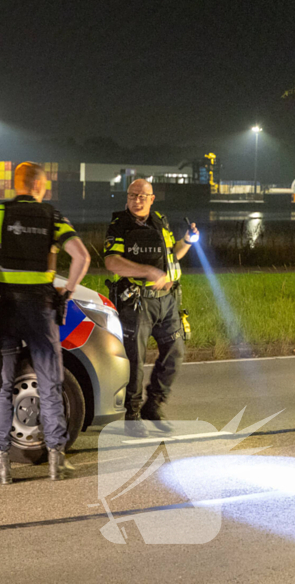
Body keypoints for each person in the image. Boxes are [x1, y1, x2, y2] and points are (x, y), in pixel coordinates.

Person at [0, 162, 90, 483]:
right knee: (50, 384)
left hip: (4, 309)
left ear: (16, 184)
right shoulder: (52, 216)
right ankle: (56, 461)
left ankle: (1, 464)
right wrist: (67, 292)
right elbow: (82, 257)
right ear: (40, 186)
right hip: (41, 309)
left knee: (2, 386)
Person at [103, 179, 199, 438]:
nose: (137, 200)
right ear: (127, 197)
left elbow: (172, 254)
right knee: (135, 360)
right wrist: (146, 271)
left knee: (175, 352)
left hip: (167, 301)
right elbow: (112, 262)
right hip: (138, 301)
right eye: (133, 195)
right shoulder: (119, 224)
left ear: (152, 198)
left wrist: (188, 240)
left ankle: (153, 406)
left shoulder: (159, 221)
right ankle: (132, 417)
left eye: (143, 196)